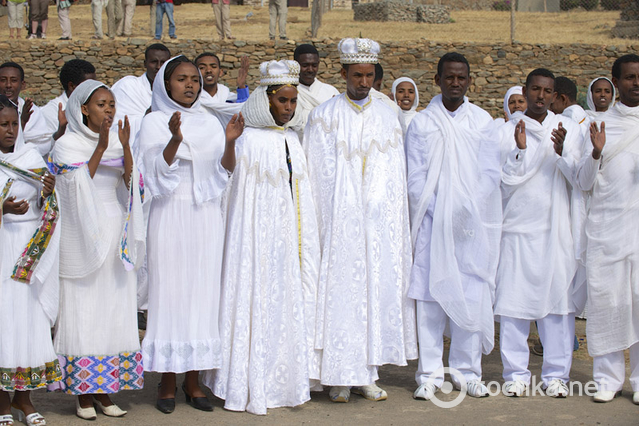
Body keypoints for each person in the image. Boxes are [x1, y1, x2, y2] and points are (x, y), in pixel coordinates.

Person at [303, 38, 417, 403]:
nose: (364, 82)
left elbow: (395, 175)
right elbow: (318, 177)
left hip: (376, 226)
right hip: (339, 227)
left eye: (369, 76)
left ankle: (367, 373)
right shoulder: (324, 115)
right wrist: (332, 221)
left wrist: (386, 218)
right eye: (357, 75)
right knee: (340, 297)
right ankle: (337, 376)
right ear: (343, 74)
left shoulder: (387, 115)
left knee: (372, 295)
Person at [204, 59, 320, 415]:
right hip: (254, 241)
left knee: (285, 302)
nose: (288, 108)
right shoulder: (248, 140)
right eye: (283, 100)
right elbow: (230, 189)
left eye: (293, 102)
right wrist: (230, 144)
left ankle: (283, 380)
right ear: (266, 100)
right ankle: (246, 380)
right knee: (252, 299)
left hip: (287, 242)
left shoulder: (293, 142)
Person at [137, 55, 243, 414]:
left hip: (204, 216)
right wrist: (173, 139)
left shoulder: (212, 123)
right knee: (169, 293)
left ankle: (194, 381)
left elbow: (223, 173)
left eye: (195, 80)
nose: (190, 86)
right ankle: (167, 380)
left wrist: (229, 142)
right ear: (167, 84)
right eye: (182, 79)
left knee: (202, 293)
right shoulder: (153, 122)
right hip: (169, 212)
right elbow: (155, 175)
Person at [406, 52, 501, 401]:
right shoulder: (422, 123)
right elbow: (415, 178)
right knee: (430, 300)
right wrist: (440, 211)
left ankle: (467, 372)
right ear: (438, 80)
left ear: (470, 81)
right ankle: (429, 374)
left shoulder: (482, 122)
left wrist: (465, 210)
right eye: (449, 77)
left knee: (471, 295)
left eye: (462, 78)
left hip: (470, 227)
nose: (456, 83)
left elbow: (490, 174)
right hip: (433, 225)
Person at [51, 79, 145, 420]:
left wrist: (126, 146)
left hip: (114, 230)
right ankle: (83, 393)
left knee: (112, 309)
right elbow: (76, 188)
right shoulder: (68, 144)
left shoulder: (119, 141)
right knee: (85, 308)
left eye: (111, 104)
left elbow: (130, 183)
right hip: (82, 234)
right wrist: (102, 147)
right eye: (101, 104)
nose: (108, 109)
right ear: (84, 108)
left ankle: (106, 390)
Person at [495, 68, 582, 398]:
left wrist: (562, 155)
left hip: (556, 229)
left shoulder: (568, 129)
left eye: (547, 91)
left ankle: (556, 375)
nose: (541, 96)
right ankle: (516, 374)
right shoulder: (506, 131)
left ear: (555, 95)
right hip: (517, 229)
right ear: (526, 91)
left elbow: (581, 181)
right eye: (535, 89)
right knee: (514, 303)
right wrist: (519, 150)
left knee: (558, 305)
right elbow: (501, 184)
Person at [575, 54, 639, 404]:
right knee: (607, 302)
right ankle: (607, 379)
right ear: (616, 83)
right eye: (629, 78)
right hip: (606, 229)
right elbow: (584, 183)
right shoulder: (598, 125)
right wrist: (596, 154)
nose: (636, 83)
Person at [0, 94, 60, 426]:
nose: (11, 130)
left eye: (14, 123)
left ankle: (24, 398)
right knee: (4, 322)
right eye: (3, 124)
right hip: (1, 248)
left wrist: (46, 192)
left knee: (28, 319)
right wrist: (3, 208)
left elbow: (49, 208)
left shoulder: (31, 156)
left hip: (29, 251)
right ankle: (1, 401)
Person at [112, 43, 171, 146]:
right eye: (154, 62)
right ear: (145, 64)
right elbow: (113, 125)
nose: (158, 67)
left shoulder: (175, 91)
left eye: (163, 63)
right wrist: (146, 118)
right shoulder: (127, 86)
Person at [0, 62, 51, 157]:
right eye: (3, 80)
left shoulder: (34, 112)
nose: (8, 85)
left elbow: (43, 143)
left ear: (22, 84)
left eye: (14, 80)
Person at [41, 59, 97, 142]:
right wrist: (61, 129)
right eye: (88, 85)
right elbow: (50, 148)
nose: (94, 89)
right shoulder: (50, 112)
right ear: (72, 86)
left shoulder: (97, 108)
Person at [293, 44, 339, 137]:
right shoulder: (289, 93)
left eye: (314, 65)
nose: (310, 70)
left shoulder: (331, 92)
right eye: (305, 65)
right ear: (295, 65)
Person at [195, 52, 249, 127]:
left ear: (220, 72)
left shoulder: (228, 97)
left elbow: (246, 113)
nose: (208, 70)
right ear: (195, 73)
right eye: (202, 68)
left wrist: (241, 86)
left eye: (213, 66)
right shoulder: (192, 100)